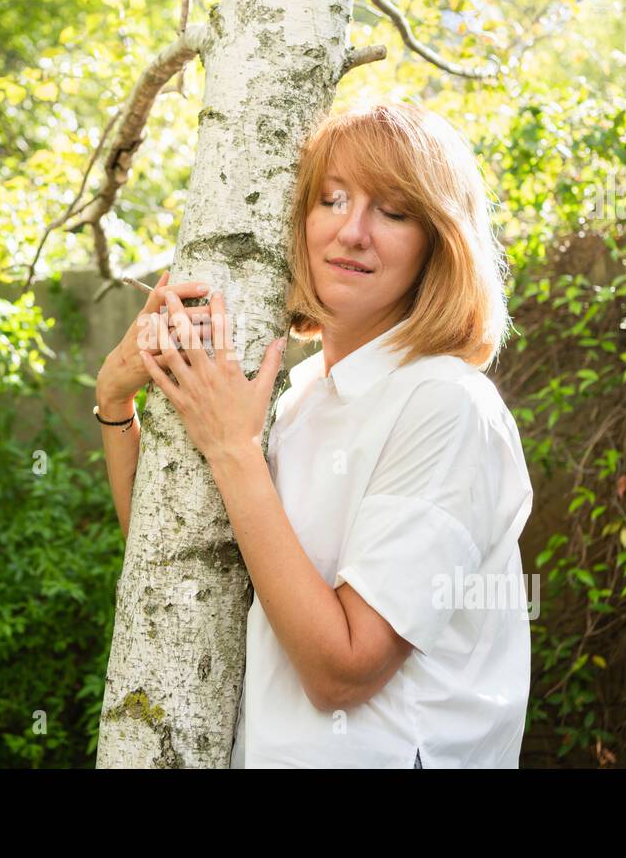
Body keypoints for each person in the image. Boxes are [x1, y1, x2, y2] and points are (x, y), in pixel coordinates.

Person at [93, 99, 533, 768]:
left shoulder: (445, 406)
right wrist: (115, 401)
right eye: (331, 200)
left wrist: (233, 450)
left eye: (392, 212)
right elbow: (183, 558)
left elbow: (344, 670)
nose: (353, 232)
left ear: (438, 244)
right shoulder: (296, 401)